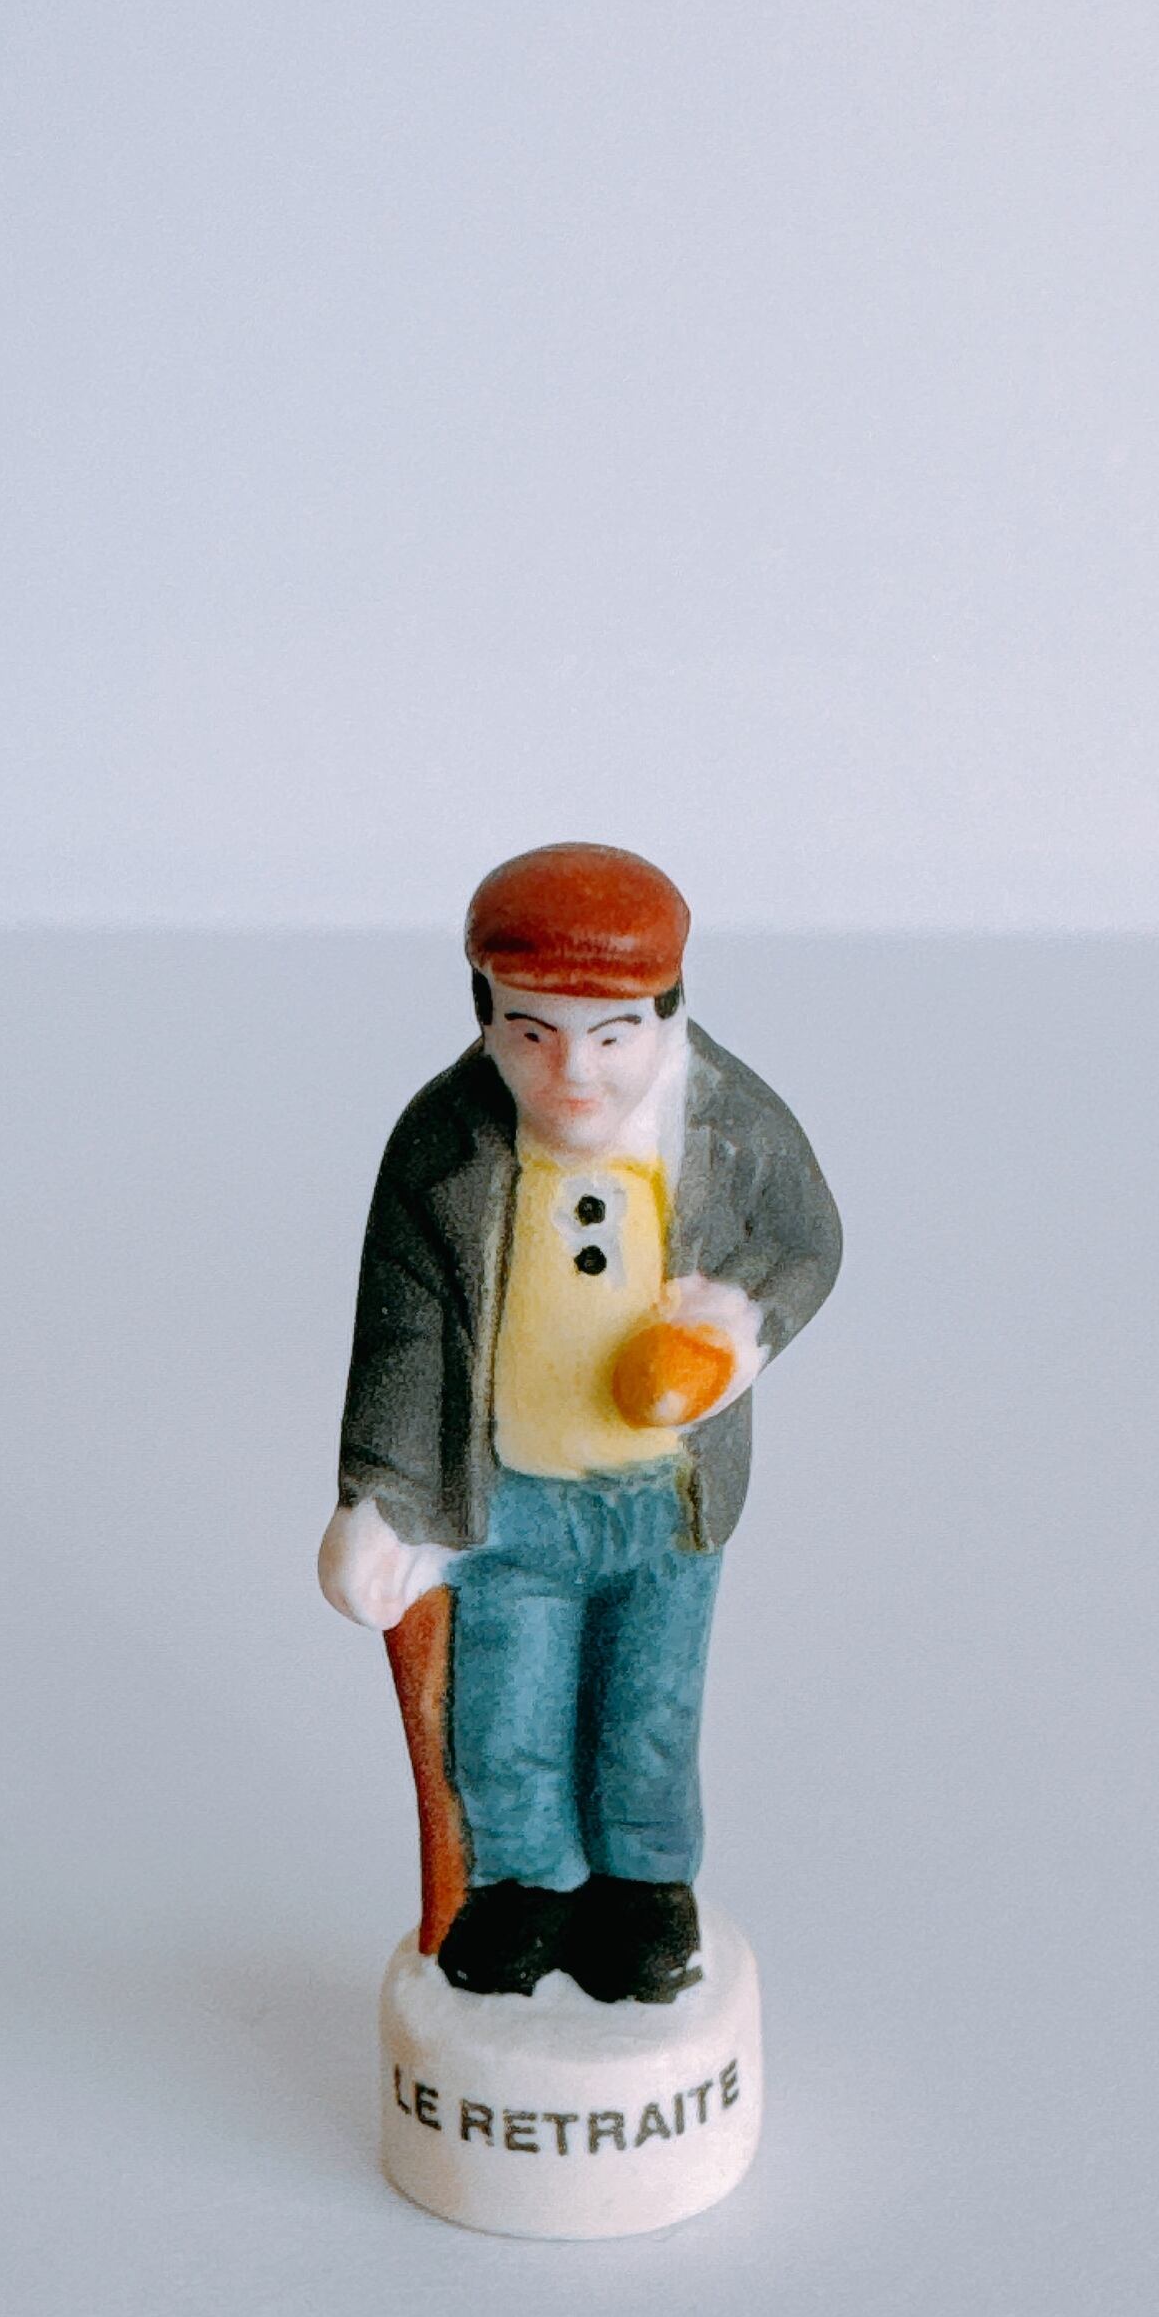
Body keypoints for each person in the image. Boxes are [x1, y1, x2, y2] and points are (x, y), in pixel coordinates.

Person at [322, 843, 842, 2002]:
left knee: (649, 1709)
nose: (573, 1077)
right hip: (512, 1501)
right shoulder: (443, 1144)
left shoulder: (731, 1124)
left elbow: (809, 1241)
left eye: (611, 1038)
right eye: (532, 1034)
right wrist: (379, 1497)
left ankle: (644, 1890)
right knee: (505, 1708)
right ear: (485, 1014)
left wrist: (737, 1331)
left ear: (667, 1014)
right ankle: (524, 1887)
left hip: (667, 1501)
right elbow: (403, 1331)